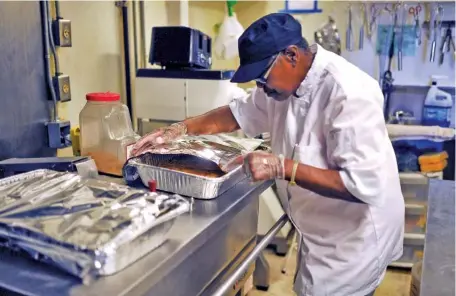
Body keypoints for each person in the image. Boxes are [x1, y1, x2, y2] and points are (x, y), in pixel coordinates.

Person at [132, 13, 404, 296]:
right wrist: (179, 129)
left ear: (291, 55)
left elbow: (361, 184)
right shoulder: (278, 89)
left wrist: (283, 168)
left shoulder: (348, 93)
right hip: (321, 228)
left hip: (355, 237)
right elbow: (235, 114)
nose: (261, 88)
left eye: (263, 77)